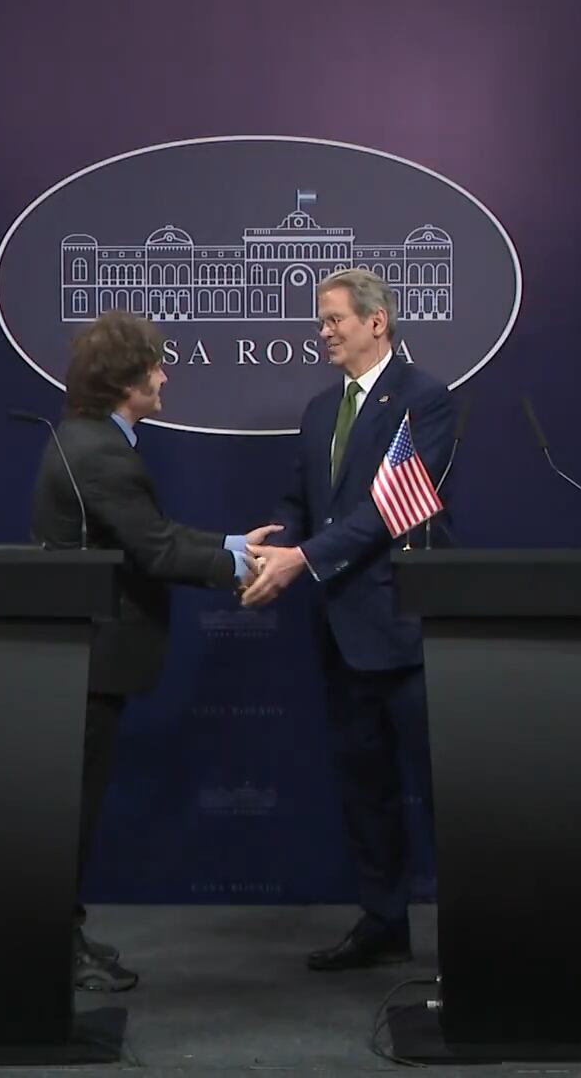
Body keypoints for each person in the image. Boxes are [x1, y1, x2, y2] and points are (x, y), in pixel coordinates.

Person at [29, 309, 281, 991]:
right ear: (127, 380)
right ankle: (50, 946)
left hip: (80, 657)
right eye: (156, 366)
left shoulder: (87, 439)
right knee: (70, 812)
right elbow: (157, 549)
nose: (165, 375)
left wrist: (232, 546)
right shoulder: (102, 451)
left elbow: (150, 531)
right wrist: (242, 569)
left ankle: (63, 932)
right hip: (90, 657)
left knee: (73, 807)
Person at [239, 268, 455, 971]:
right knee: (366, 790)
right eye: (321, 321)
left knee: (443, 789)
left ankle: (475, 932)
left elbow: (391, 511)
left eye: (334, 319)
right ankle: (384, 921)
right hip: (339, 631)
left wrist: (303, 559)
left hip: (404, 630)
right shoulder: (318, 409)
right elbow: (302, 499)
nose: (323, 332)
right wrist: (270, 548)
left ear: (377, 322)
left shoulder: (425, 400)